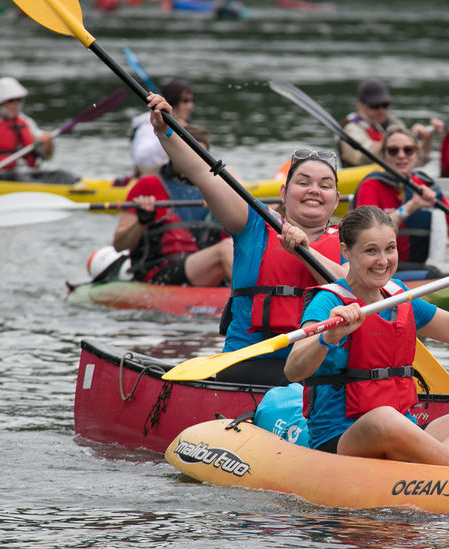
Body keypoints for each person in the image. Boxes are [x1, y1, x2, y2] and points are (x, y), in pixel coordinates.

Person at [283, 205, 449, 468]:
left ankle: (434, 469)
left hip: (404, 430)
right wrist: (327, 338)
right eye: (370, 251)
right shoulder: (327, 302)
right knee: (384, 419)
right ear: (346, 252)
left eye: (390, 248)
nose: (383, 260)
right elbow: (293, 370)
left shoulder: (398, 294)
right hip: (344, 440)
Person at [144, 92, 346, 385]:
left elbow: (352, 289)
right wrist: (166, 131)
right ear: (283, 193)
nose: (314, 190)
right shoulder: (253, 222)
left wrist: (302, 248)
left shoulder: (348, 241)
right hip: (247, 365)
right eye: (303, 183)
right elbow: (202, 171)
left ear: (337, 198)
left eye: (325, 185)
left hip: (316, 373)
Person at [351, 127, 449, 271]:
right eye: (393, 150)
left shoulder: (427, 186)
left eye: (408, 150)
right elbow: (369, 235)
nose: (401, 155)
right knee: (436, 274)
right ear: (383, 155)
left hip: (418, 269)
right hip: (380, 269)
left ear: (416, 155)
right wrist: (410, 207)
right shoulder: (370, 185)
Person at [110, 124, 232, 287]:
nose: (195, 161)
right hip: (161, 274)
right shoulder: (149, 184)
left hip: (206, 271)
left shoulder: (218, 190)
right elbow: (119, 245)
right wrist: (141, 222)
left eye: (201, 155)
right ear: (173, 153)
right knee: (226, 248)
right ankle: (255, 300)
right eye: (190, 153)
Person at [0, 77, 76, 184]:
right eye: (11, 101)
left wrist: (47, 143)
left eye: (19, 100)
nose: (16, 105)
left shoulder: (24, 120)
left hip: (27, 173)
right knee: (21, 177)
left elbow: (46, 155)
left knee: (62, 176)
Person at [340, 79, 443, 168]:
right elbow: (360, 159)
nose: (381, 110)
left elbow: (417, 162)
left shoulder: (393, 122)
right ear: (360, 106)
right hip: (359, 178)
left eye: (385, 105)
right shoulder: (352, 128)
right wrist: (393, 139)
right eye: (375, 106)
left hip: (389, 174)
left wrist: (426, 138)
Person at [130, 80, 194, 176]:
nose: (190, 106)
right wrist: (167, 133)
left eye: (191, 101)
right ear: (173, 101)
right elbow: (142, 162)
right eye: (185, 101)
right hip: (150, 181)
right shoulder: (147, 125)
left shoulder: (186, 125)